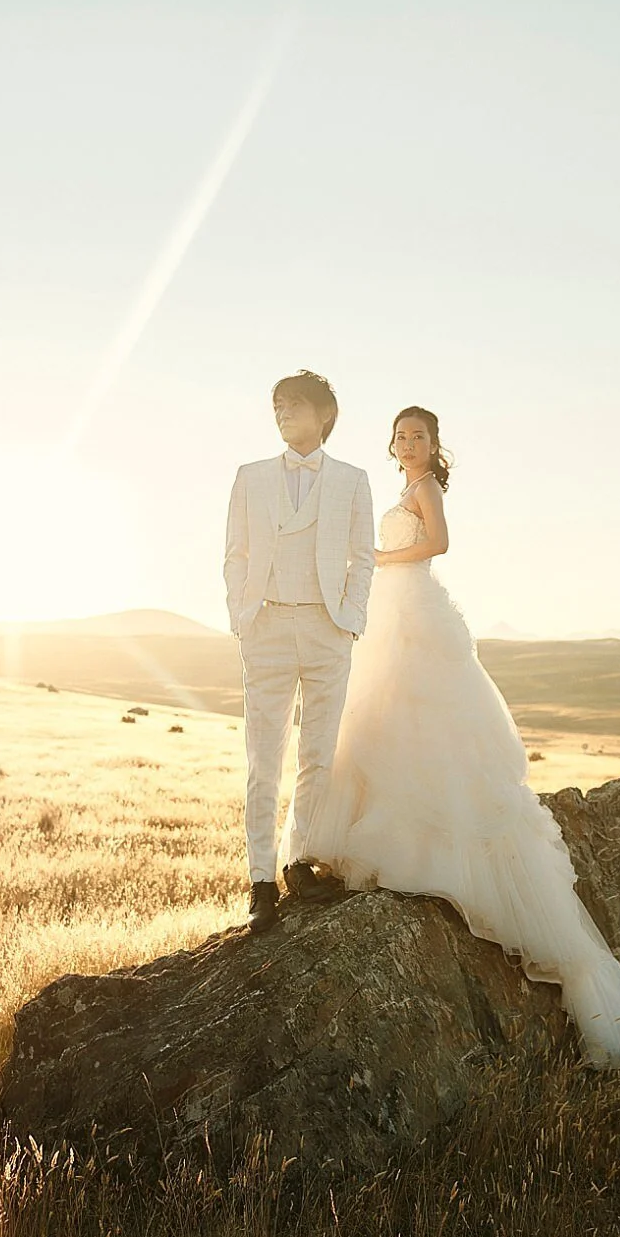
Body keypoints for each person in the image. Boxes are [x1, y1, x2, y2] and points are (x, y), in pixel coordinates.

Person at [287, 406, 620, 1079]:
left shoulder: (426, 491)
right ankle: (359, 833)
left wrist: (378, 556)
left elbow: (438, 545)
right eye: (401, 435)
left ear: (434, 446)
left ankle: (421, 846)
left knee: (418, 718)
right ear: (392, 443)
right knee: (377, 716)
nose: (408, 443)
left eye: (419, 435)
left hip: (414, 607)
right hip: (392, 608)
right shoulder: (399, 491)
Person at [222, 370, 377, 934]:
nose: (283, 414)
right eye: (277, 406)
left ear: (324, 414)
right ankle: (260, 878)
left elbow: (363, 557)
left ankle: (298, 861)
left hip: (326, 630)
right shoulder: (251, 476)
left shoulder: (353, 481)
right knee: (263, 758)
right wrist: (243, 615)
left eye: (293, 405)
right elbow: (235, 553)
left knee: (318, 755)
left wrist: (350, 621)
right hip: (265, 629)